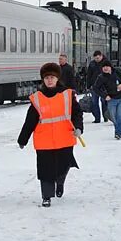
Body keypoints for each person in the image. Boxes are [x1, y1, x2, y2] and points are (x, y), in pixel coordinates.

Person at [17, 63, 84, 207]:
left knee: (62, 166)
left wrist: (78, 127)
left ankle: (60, 182)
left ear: (57, 78)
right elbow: (30, 121)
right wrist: (23, 139)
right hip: (44, 140)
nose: (49, 80)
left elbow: (77, 113)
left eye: (52, 77)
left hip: (65, 138)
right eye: (47, 77)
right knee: (45, 169)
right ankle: (46, 196)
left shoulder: (67, 94)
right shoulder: (37, 98)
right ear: (43, 79)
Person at [93, 60, 121, 139]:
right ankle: (119, 131)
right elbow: (95, 88)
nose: (105, 68)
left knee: (120, 116)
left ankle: (118, 132)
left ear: (110, 67)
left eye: (107, 66)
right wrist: (104, 96)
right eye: (103, 67)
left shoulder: (117, 71)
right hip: (111, 99)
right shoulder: (101, 77)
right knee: (114, 117)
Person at [85, 51, 108, 122]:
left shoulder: (106, 63)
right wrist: (88, 86)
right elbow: (89, 75)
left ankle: (105, 117)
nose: (97, 60)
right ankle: (97, 118)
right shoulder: (92, 64)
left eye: (98, 58)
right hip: (94, 86)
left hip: (104, 86)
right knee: (95, 102)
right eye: (95, 58)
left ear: (101, 56)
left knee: (104, 102)